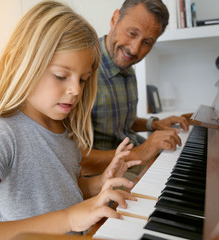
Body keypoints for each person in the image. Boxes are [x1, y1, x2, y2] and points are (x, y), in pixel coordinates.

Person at [0, 1, 141, 239]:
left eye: (83, 79)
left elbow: (64, 191)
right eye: (61, 76)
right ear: (22, 64)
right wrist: (69, 218)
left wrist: (100, 183)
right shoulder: (0, 135)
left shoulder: (65, 131)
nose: (75, 90)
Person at [80, 0, 190, 178]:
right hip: (104, 174)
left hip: (135, 158)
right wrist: (141, 151)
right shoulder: (82, 71)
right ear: (115, 18)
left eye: (147, 42)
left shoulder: (127, 69)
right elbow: (76, 159)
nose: (134, 49)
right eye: (132, 33)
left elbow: (119, 122)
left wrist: (153, 124)